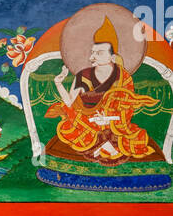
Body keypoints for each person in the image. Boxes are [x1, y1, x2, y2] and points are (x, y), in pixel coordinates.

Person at [47, 16, 156, 163]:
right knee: (76, 130)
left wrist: (108, 119)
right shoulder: (83, 75)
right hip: (86, 118)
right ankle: (105, 148)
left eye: (99, 53)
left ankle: (106, 147)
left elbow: (127, 107)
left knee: (136, 137)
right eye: (92, 52)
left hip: (114, 122)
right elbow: (69, 103)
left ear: (112, 57)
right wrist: (58, 83)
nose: (92, 57)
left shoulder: (123, 77)